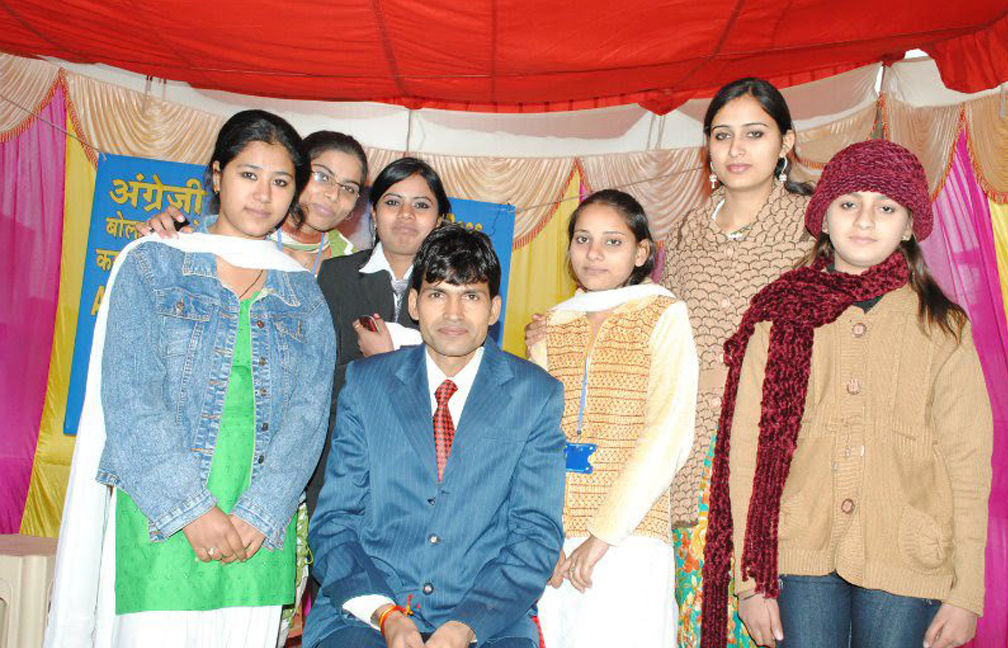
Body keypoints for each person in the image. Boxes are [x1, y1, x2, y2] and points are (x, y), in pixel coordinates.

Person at [525, 77, 813, 647]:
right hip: (692, 451)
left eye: (754, 134)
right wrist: (559, 326)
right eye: (722, 135)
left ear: (785, 143)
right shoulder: (686, 233)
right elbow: (642, 327)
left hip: (778, 442)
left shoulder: (813, 231)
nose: (736, 150)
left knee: (777, 607)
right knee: (687, 607)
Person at [45, 109, 337, 647]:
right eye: (248, 174)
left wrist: (258, 513)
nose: (263, 194)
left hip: (257, 528)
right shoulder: (154, 264)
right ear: (216, 175)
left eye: (280, 181)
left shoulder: (305, 293)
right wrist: (192, 511)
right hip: (162, 511)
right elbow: (131, 399)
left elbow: (308, 416)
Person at [702, 140, 992, 648]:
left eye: (885, 207)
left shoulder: (943, 329)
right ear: (824, 218)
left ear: (907, 227)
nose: (864, 219)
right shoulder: (777, 321)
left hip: (907, 554)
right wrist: (750, 582)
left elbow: (969, 465)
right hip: (796, 553)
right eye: (848, 203)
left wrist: (966, 592)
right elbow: (745, 455)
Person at [304, 225, 566, 648]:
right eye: (437, 294)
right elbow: (335, 522)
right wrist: (386, 614)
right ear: (413, 303)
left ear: (495, 308)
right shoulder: (368, 384)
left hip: (485, 619)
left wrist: (466, 624)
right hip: (368, 614)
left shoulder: (535, 395)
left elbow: (534, 534)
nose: (453, 314)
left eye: (471, 296)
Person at [528, 190, 698, 647]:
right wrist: (541, 537)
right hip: (553, 538)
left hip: (630, 535)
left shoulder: (664, 314)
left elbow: (669, 434)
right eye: (582, 239)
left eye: (612, 242)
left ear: (641, 252)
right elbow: (537, 439)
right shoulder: (552, 323)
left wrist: (602, 536)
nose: (594, 253)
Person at [309, 156, 450, 513]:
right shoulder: (336, 276)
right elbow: (319, 377)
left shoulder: (454, 288)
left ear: (439, 220)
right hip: (343, 462)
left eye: (421, 205)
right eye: (392, 202)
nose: (405, 215)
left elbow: (461, 370)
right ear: (372, 213)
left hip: (424, 468)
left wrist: (389, 354)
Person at [140, 129, 368, 273]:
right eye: (322, 176)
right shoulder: (245, 228)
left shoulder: (353, 264)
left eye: (349, 188)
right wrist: (165, 237)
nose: (333, 194)